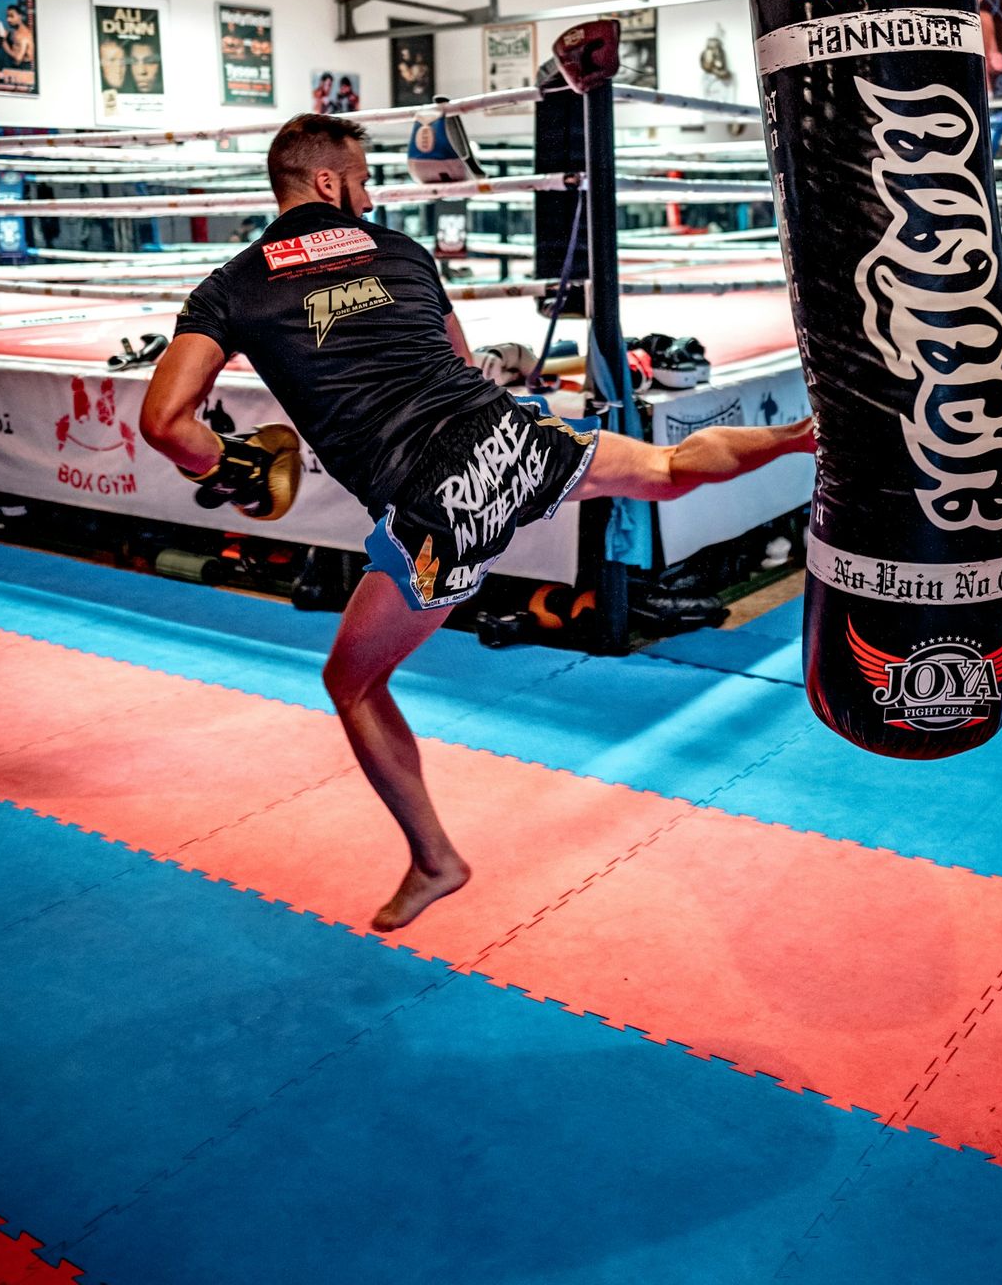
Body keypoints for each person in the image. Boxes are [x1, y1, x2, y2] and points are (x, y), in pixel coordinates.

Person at [141, 114, 815, 933]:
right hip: (508, 440)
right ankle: (802, 437)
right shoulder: (402, 253)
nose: (370, 191)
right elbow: (461, 368)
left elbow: (166, 421)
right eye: (361, 177)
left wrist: (224, 466)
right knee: (667, 472)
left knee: (351, 683)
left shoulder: (230, 287)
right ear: (327, 182)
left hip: (434, 508)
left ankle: (435, 860)